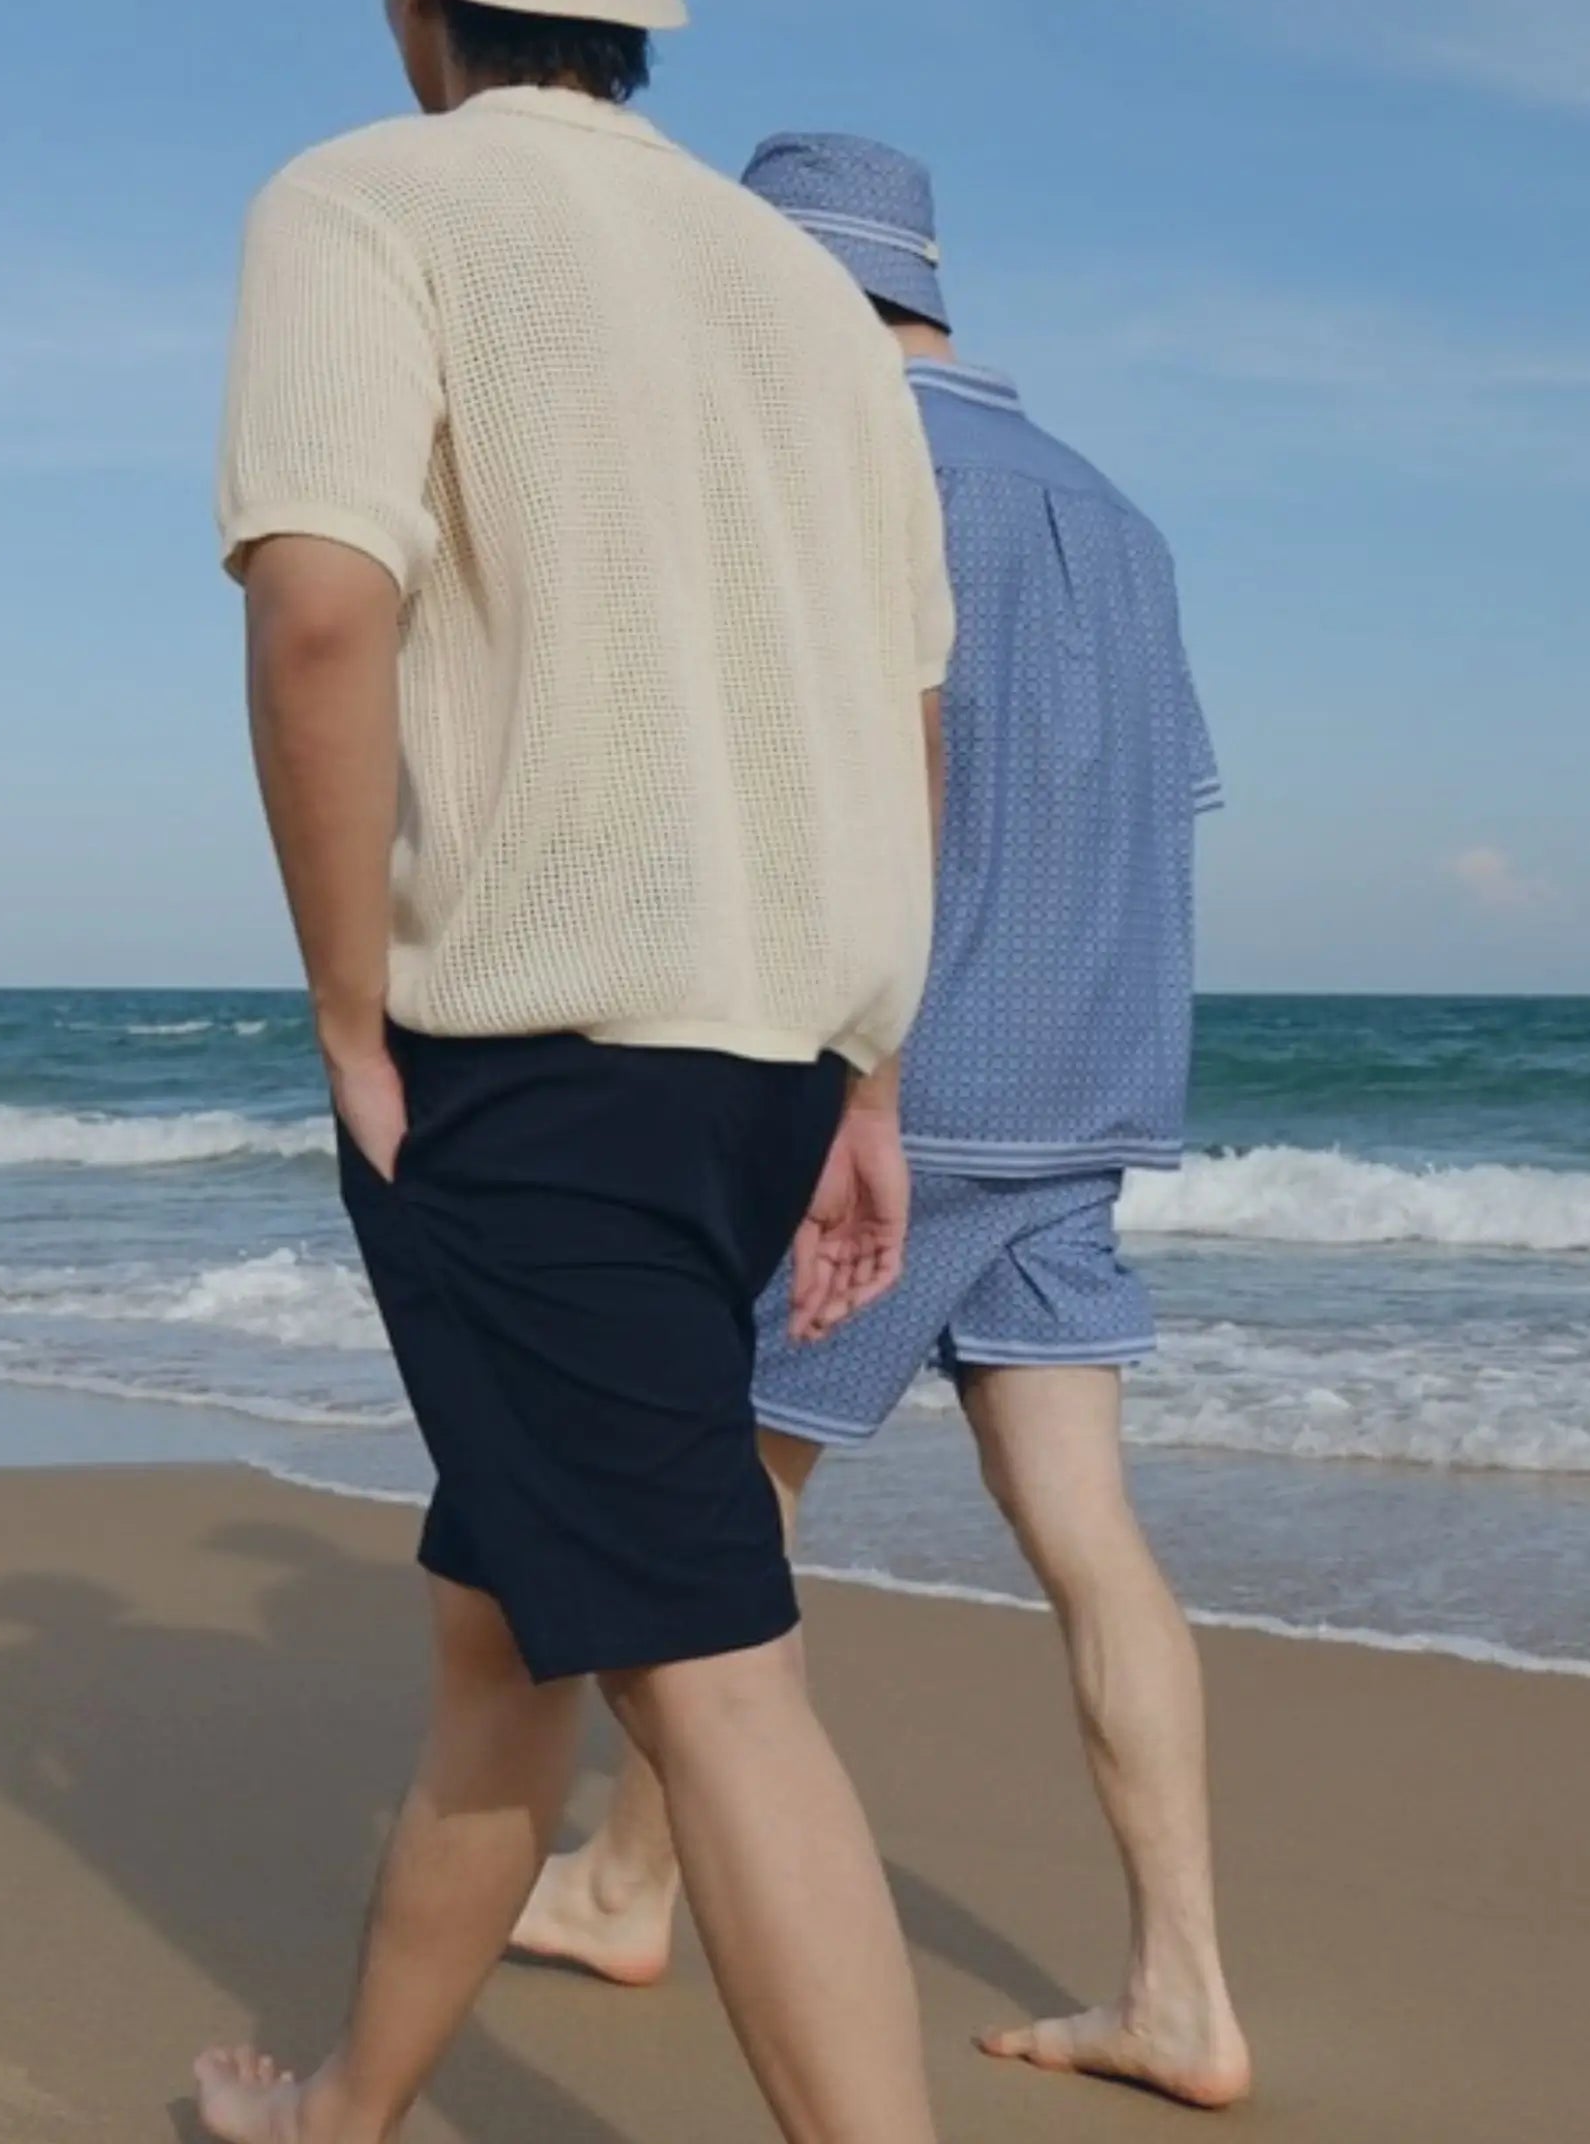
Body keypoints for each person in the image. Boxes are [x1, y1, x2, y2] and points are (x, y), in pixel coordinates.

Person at [200, 0, 957, 2143]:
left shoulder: (368, 201)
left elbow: (325, 609)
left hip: (536, 1041)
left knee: (716, 1682)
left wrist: (346, 1002)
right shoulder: (811, 300)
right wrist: (863, 1073)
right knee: (506, 1632)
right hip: (762, 1056)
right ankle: (350, 2113)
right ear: (627, 12)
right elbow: (904, 711)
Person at [513, 132, 1254, 2112]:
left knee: (705, 1524)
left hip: (893, 1094)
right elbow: (1154, 818)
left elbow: (790, 803)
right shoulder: (1123, 515)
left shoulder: (842, 476)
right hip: (1089, 1091)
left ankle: (626, 1881)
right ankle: (1181, 1985)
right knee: (1091, 1539)